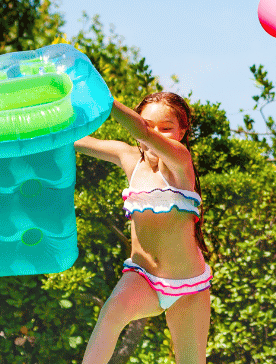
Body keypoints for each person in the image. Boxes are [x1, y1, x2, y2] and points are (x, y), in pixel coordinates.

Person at [75, 92, 212, 364]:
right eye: (149, 124)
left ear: (183, 132)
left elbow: (145, 134)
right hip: (143, 277)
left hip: (190, 287)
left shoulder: (179, 161)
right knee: (110, 316)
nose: (156, 133)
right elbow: (75, 141)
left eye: (167, 128)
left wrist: (104, 99)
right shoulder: (128, 159)